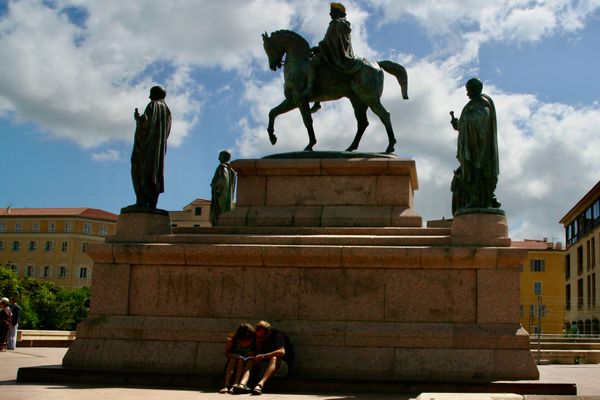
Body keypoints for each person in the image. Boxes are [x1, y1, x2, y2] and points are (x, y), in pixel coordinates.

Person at [450, 78, 501, 212]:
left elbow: (482, 119)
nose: (467, 94)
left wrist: (465, 121)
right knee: (469, 173)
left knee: (477, 172)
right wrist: (458, 124)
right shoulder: (470, 105)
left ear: (475, 89)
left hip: (480, 149)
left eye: (468, 90)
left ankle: (480, 200)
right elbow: (465, 124)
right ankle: (475, 200)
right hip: (470, 147)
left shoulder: (483, 103)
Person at [303, 2, 360, 108]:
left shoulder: (336, 23)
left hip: (334, 53)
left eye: (332, 12)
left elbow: (330, 40)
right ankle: (317, 101)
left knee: (313, 63)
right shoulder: (343, 23)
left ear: (337, 12)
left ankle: (310, 89)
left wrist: (319, 48)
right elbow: (332, 40)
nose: (330, 14)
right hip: (340, 52)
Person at [131, 85, 171, 209]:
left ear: (155, 95)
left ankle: (141, 201)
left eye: (151, 94)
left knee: (139, 169)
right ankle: (152, 202)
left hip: (147, 147)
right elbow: (167, 131)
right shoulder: (167, 111)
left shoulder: (153, 105)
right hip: (159, 149)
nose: (149, 97)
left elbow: (146, 124)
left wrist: (139, 120)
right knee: (155, 172)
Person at [233, 320, 292, 395]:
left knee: (274, 358)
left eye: (262, 335)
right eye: (258, 334)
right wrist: (258, 345)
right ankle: (242, 384)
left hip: (280, 367)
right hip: (264, 365)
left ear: (268, 333)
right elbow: (257, 353)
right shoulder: (258, 338)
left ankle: (260, 385)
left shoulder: (277, 335)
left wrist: (264, 355)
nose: (260, 336)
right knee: (250, 360)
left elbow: (281, 352)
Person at [220, 323, 256, 394]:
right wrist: (233, 355)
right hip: (235, 361)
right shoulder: (233, 340)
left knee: (246, 361)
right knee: (235, 360)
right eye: (242, 341)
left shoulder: (255, 340)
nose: (245, 344)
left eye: (247, 341)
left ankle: (236, 384)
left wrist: (252, 354)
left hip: (248, 362)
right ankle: (226, 385)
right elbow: (227, 353)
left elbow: (258, 352)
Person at [210, 151, 237, 226]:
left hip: (221, 194)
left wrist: (215, 185)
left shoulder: (222, 167)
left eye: (220, 156)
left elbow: (223, 179)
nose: (218, 158)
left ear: (223, 157)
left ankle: (218, 223)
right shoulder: (231, 170)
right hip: (227, 195)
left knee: (219, 211)